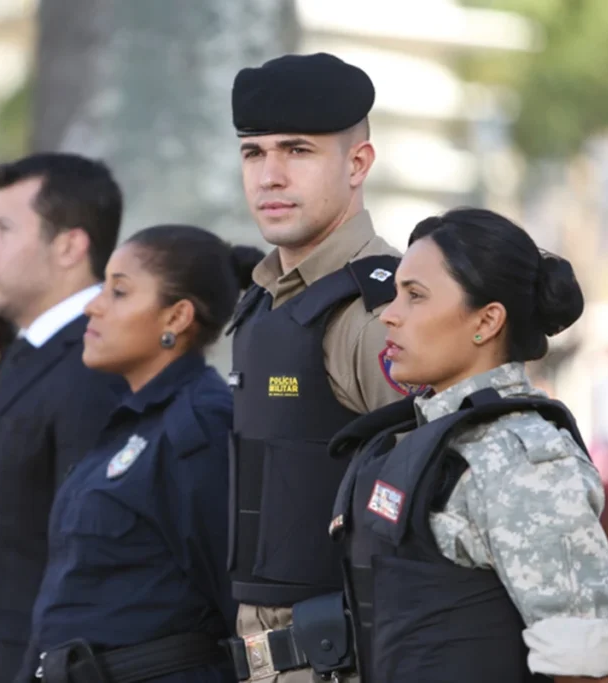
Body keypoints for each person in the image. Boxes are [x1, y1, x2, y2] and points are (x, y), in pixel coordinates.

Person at [329, 208, 608, 683]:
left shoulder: (521, 460)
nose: (389, 314)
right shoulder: (427, 437)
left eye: (415, 296)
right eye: (395, 294)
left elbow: (588, 672)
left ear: (487, 321)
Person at [224, 52, 417, 682]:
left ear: (358, 163)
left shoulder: (379, 306)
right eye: (254, 153)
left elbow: (425, 505)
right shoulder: (267, 296)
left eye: (297, 151)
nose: (270, 176)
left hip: (349, 655)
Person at [16, 225, 264, 683]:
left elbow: (240, 602)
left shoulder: (201, 424)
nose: (94, 304)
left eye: (119, 292)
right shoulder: (131, 422)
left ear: (176, 318)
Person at [0, 153, 126, 683]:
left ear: (69, 244)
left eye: (2, 227)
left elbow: (87, 559)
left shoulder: (95, 365)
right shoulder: (28, 354)